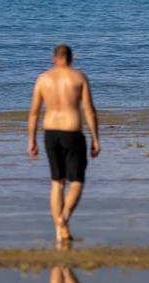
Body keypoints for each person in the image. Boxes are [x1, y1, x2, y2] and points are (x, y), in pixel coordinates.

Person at [28, 45, 101, 246]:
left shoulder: (43, 79)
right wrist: (96, 138)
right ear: (72, 58)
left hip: (50, 133)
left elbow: (34, 112)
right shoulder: (79, 78)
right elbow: (89, 111)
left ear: (53, 59)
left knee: (57, 183)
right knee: (76, 182)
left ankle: (59, 233)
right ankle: (64, 217)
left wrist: (31, 140)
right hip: (72, 132)